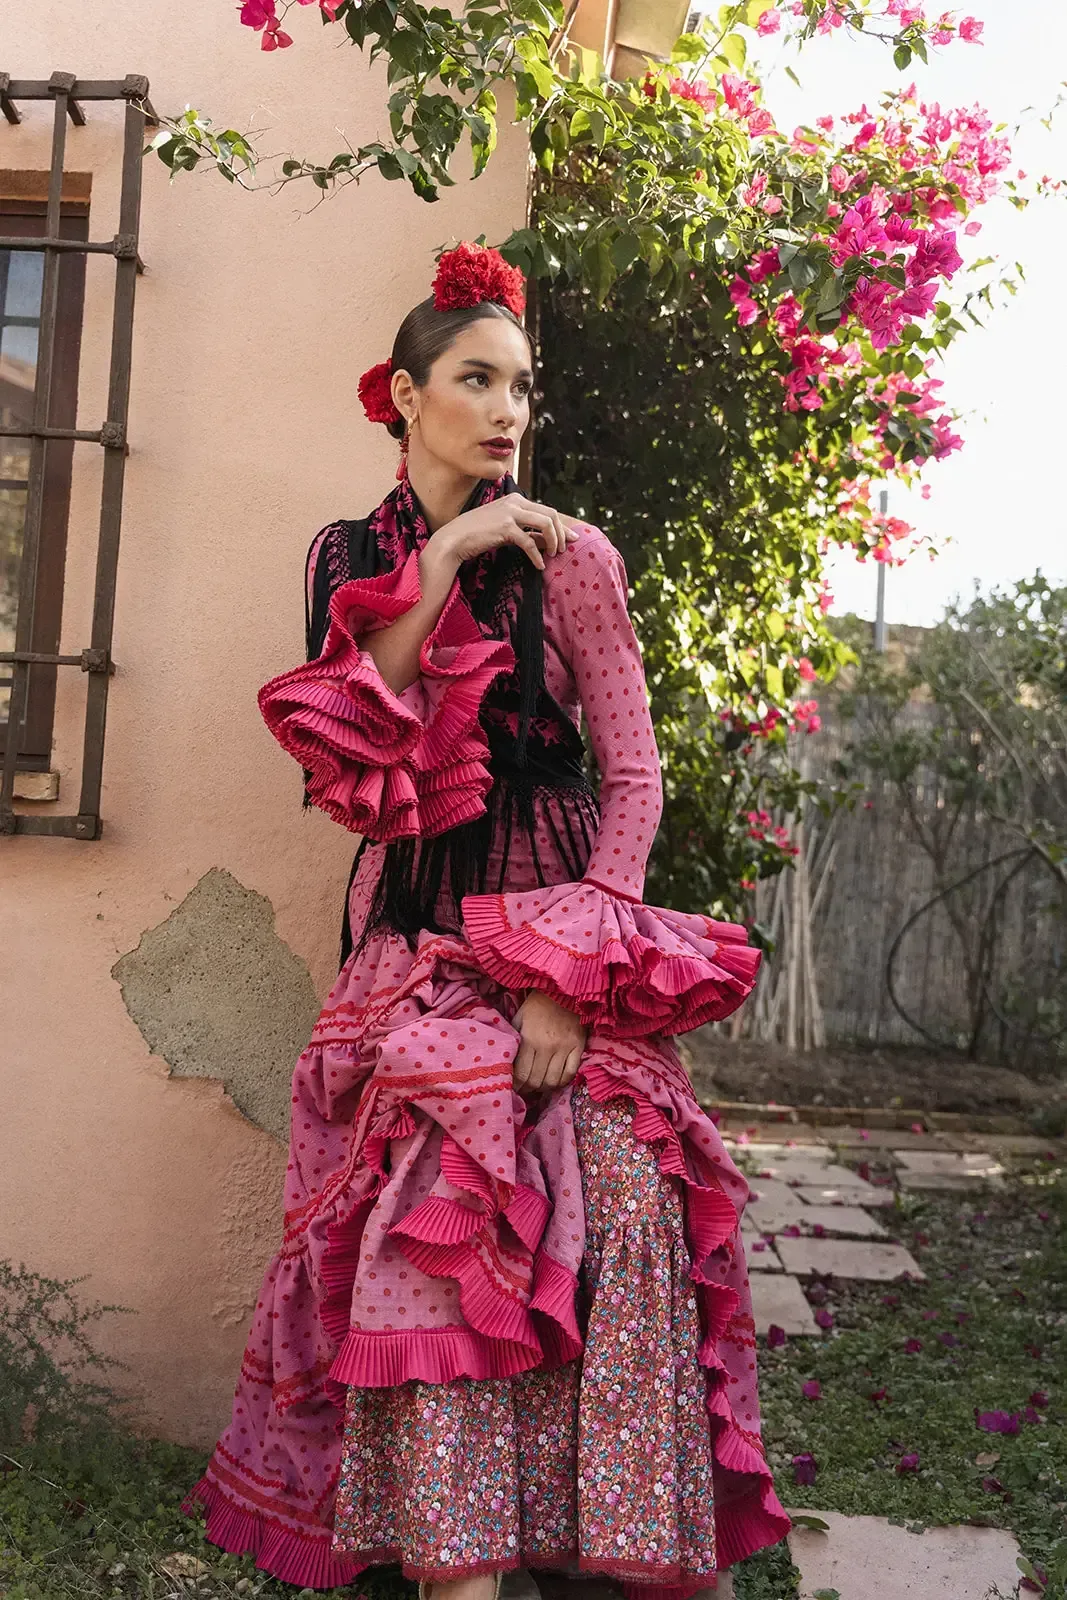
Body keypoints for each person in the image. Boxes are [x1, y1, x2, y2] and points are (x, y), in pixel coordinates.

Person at [184, 242, 790, 1598]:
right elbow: (352, 757)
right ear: (404, 395)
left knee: (620, 1209)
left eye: (521, 385)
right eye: (476, 380)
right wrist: (449, 550)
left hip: (558, 935)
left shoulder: (577, 562)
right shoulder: (348, 555)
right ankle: (459, 1564)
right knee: (431, 1238)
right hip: (406, 944)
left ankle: (594, 1533)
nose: (507, 408)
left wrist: (569, 983)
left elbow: (632, 777)